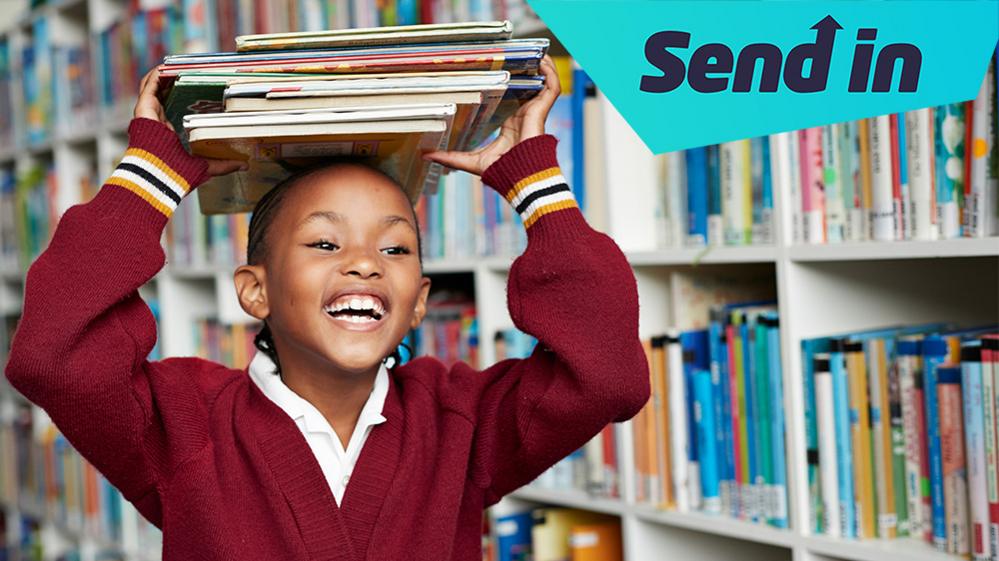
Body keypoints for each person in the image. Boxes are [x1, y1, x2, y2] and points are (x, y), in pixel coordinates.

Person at [4, 55, 650, 560]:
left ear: (419, 301)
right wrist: (152, 172)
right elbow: (55, 356)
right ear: (254, 290)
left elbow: (606, 375)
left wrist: (533, 184)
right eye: (324, 241)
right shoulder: (183, 425)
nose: (364, 261)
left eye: (395, 247)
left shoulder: (462, 423)